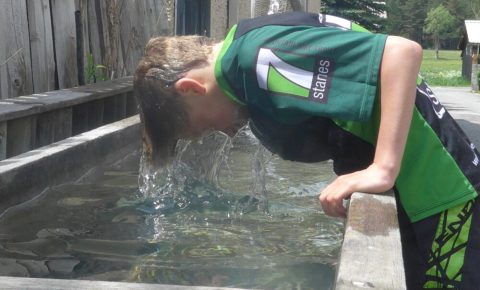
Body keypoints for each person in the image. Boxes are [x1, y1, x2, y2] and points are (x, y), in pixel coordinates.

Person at [134, 12, 480, 289]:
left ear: (191, 89)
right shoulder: (247, 46)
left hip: (440, 195)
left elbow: (401, 53)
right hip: (425, 194)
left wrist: (383, 167)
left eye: (206, 126)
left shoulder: (258, 59)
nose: (222, 132)